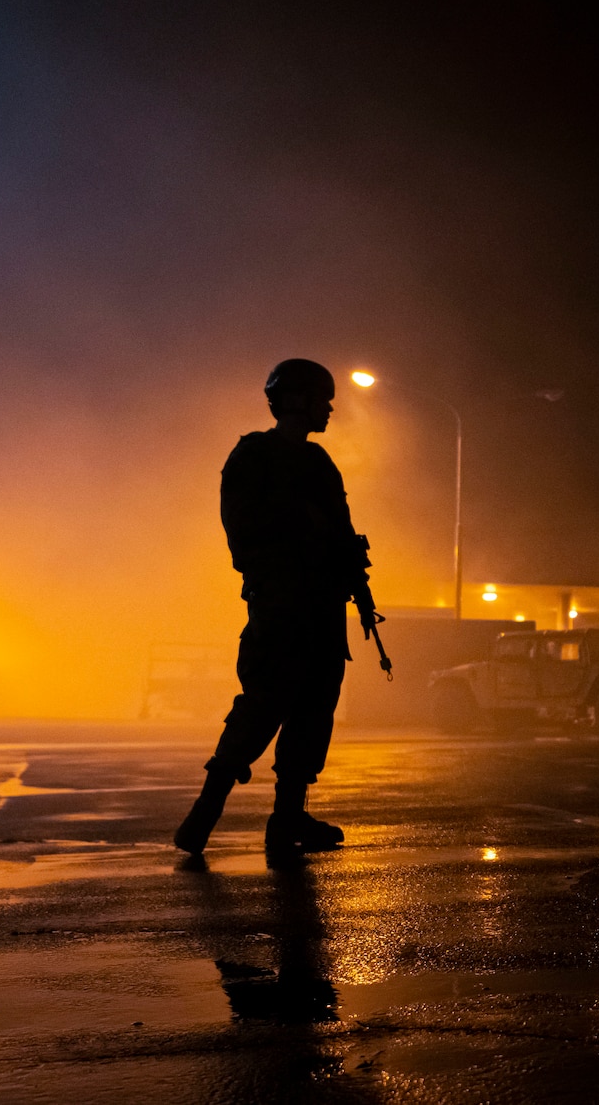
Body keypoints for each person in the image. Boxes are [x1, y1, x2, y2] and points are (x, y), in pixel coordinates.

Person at [174, 358, 382, 860]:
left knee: (314, 713)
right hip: (283, 605)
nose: (329, 408)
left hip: (322, 610)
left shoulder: (320, 464)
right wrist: (300, 540)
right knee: (264, 704)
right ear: (295, 401)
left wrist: (353, 577)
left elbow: (340, 532)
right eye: (321, 399)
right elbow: (243, 531)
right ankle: (205, 812)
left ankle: (287, 818)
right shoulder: (255, 455)